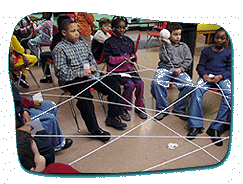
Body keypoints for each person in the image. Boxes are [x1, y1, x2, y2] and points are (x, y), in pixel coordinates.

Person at [52, 19, 127, 142]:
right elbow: (61, 73)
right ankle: (94, 129)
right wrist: (80, 73)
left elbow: (91, 59)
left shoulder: (83, 44)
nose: (77, 33)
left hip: (90, 76)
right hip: (74, 80)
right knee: (86, 98)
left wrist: (93, 67)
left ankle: (112, 117)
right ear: (64, 33)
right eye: (73, 31)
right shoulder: (59, 49)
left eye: (77, 30)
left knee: (113, 83)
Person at [187, 27, 231, 146]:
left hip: (221, 77)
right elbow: (200, 66)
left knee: (229, 94)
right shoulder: (206, 51)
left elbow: (230, 69)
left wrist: (221, 76)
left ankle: (216, 128)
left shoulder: (228, 53)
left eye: (222, 38)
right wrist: (204, 75)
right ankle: (195, 125)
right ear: (213, 37)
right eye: (217, 37)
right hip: (206, 76)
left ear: (226, 40)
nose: (219, 40)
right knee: (197, 90)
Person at [104, 16, 147, 121]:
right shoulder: (108, 42)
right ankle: (124, 108)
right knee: (129, 85)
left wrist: (132, 58)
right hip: (117, 71)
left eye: (123, 27)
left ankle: (139, 106)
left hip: (129, 69)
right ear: (113, 28)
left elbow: (133, 55)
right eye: (118, 27)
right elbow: (109, 59)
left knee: (140, 84)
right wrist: (122, 59)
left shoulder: (129, 41)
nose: (121, 30)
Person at [150, 23, 194, 121]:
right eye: (175, 34)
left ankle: (179, 108)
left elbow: (188, 60)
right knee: (156, 83)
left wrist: (181, 69)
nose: (178, 37)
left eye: (179, 34)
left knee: (190, 85)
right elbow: (166, 59)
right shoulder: (164, 46)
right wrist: (168, 45)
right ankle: (162, 109)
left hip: (179, 69)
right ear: (168, 34)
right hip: (165, 68)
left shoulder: (184, 46)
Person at [39, 14, 71, 83]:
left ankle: (48, 76)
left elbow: (52, 48)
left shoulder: (57, 35)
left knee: (42, 55)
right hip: (71, 57)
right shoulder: (73, 35)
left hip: (58, 57)